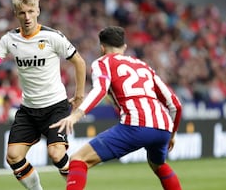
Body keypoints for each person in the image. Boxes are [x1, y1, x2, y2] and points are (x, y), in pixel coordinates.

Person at [0, 0, 86, 190]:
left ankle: (75, 185)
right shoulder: (9, 40)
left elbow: (79, 62)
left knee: (57, 154)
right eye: (22, 12)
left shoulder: (52, 37)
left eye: (31, 11)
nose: (27, 17)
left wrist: (79, 96)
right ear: (16, 14)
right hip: (29, 110)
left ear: (38, 11)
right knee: (13, 156)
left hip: (55, 107)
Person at [50, 26, 182, 190]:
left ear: (102, 48)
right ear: (124, 47)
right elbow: (175, 104)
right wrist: (173, 134)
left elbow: (100, 90)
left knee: (78, 159)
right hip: (163, 128)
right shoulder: (143, 66)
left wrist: (75, 115)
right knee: (158, 165)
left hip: (136, 125)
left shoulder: (103, 62)